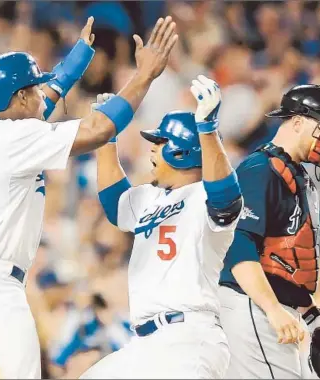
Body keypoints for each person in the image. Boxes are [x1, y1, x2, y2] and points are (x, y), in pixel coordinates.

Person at [0, 16, 178, 379]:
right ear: (18, 98)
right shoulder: (12, 139)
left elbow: (37, 109)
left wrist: (75, 64)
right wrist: (144, 76)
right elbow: (98, 129)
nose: (40, 92)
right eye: (33, 88)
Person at [79, 75, 243, 379]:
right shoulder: (149, 197)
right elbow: (116, 205)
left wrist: (207, 131)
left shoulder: (205, 195)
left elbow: (227, 199)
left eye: (160, 142)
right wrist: (106, 139)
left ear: (181, 151)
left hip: (188, 338)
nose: (152, 150)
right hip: (145, 343)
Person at [218, 84, 320, 379]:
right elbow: (238, 245)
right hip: (251, 305)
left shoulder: (296, 175)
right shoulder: (260, 170)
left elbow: (286, 264)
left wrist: (313, 316)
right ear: (297, 123)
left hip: (270, 307)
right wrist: (271, 309)